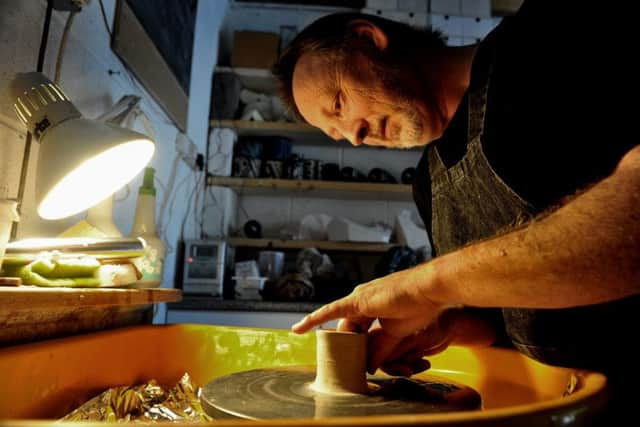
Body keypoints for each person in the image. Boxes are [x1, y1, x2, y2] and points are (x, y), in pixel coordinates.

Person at [272, 0, 639, 422]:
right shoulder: (427, 184)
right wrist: (449, 326)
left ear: (366, 39)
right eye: (335, 133)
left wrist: (426, 287)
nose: (354, 136)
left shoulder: (548, 36)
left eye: (338, 104)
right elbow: (505, 321)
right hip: (571, 406)